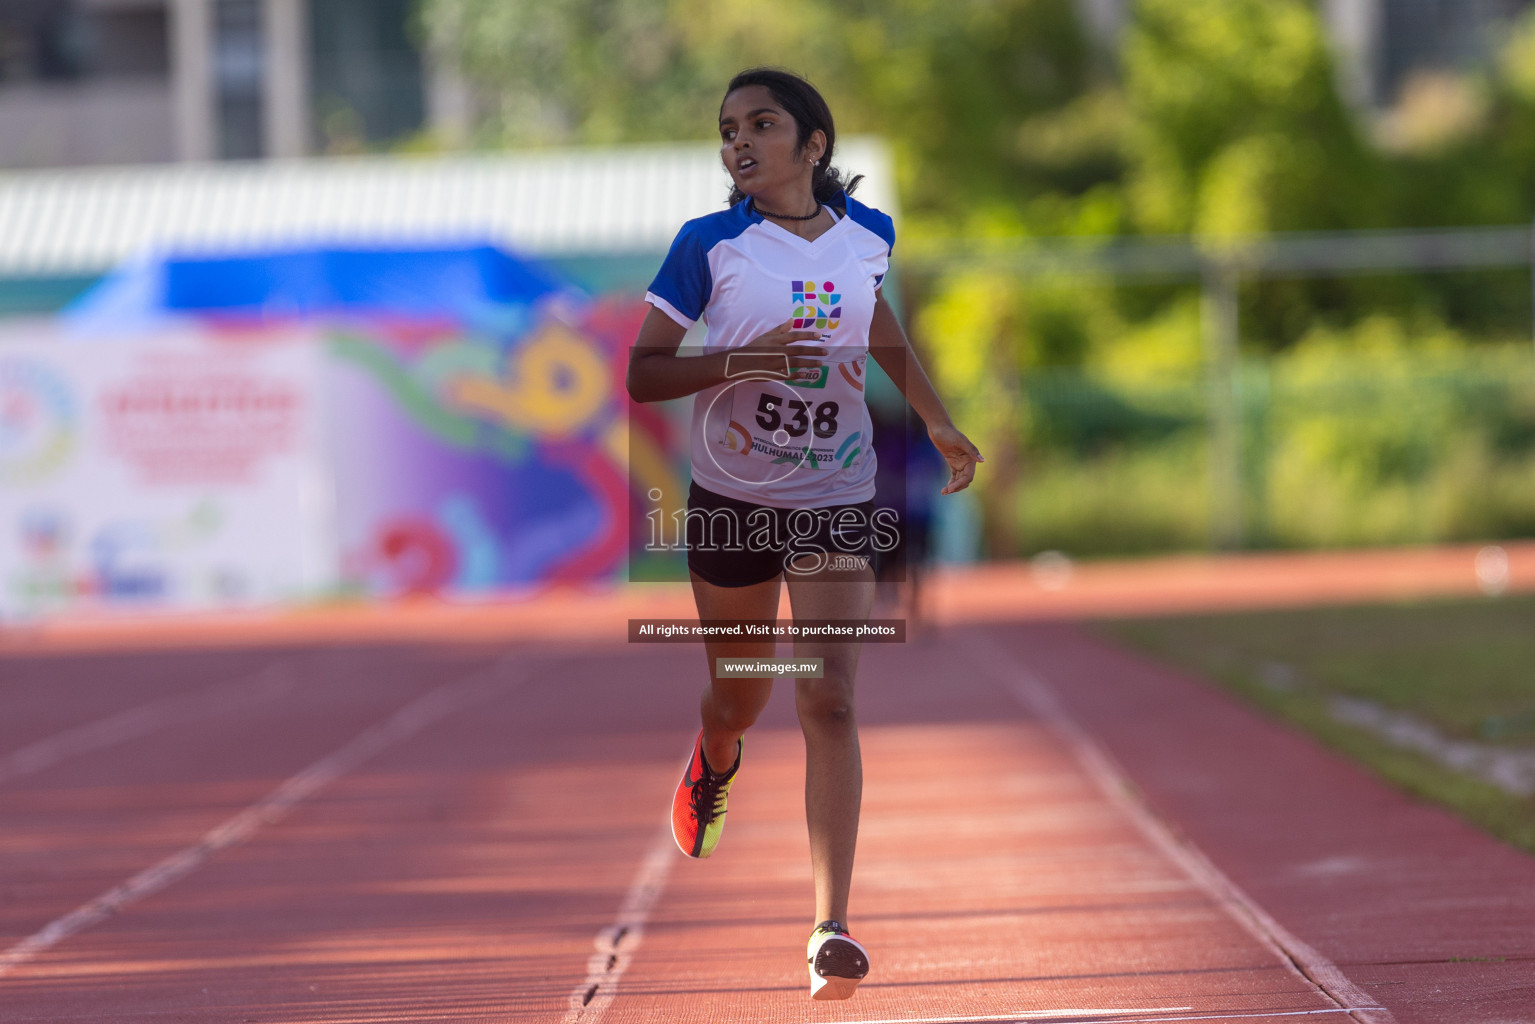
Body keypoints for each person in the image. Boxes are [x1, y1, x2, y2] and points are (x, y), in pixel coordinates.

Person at [625, 67, 982, 1001]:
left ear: (812, 144)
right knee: (739, 696)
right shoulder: (709, 246)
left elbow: (874, 320)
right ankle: (716, 755)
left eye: (760, 124)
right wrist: (744, 359)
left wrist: (934, 416)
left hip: (838, 492)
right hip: (733, 498)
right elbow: (643, 372)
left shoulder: (871, 235)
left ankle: (830, 926)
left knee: (826, 696)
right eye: (727, 129)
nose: (738, 141)